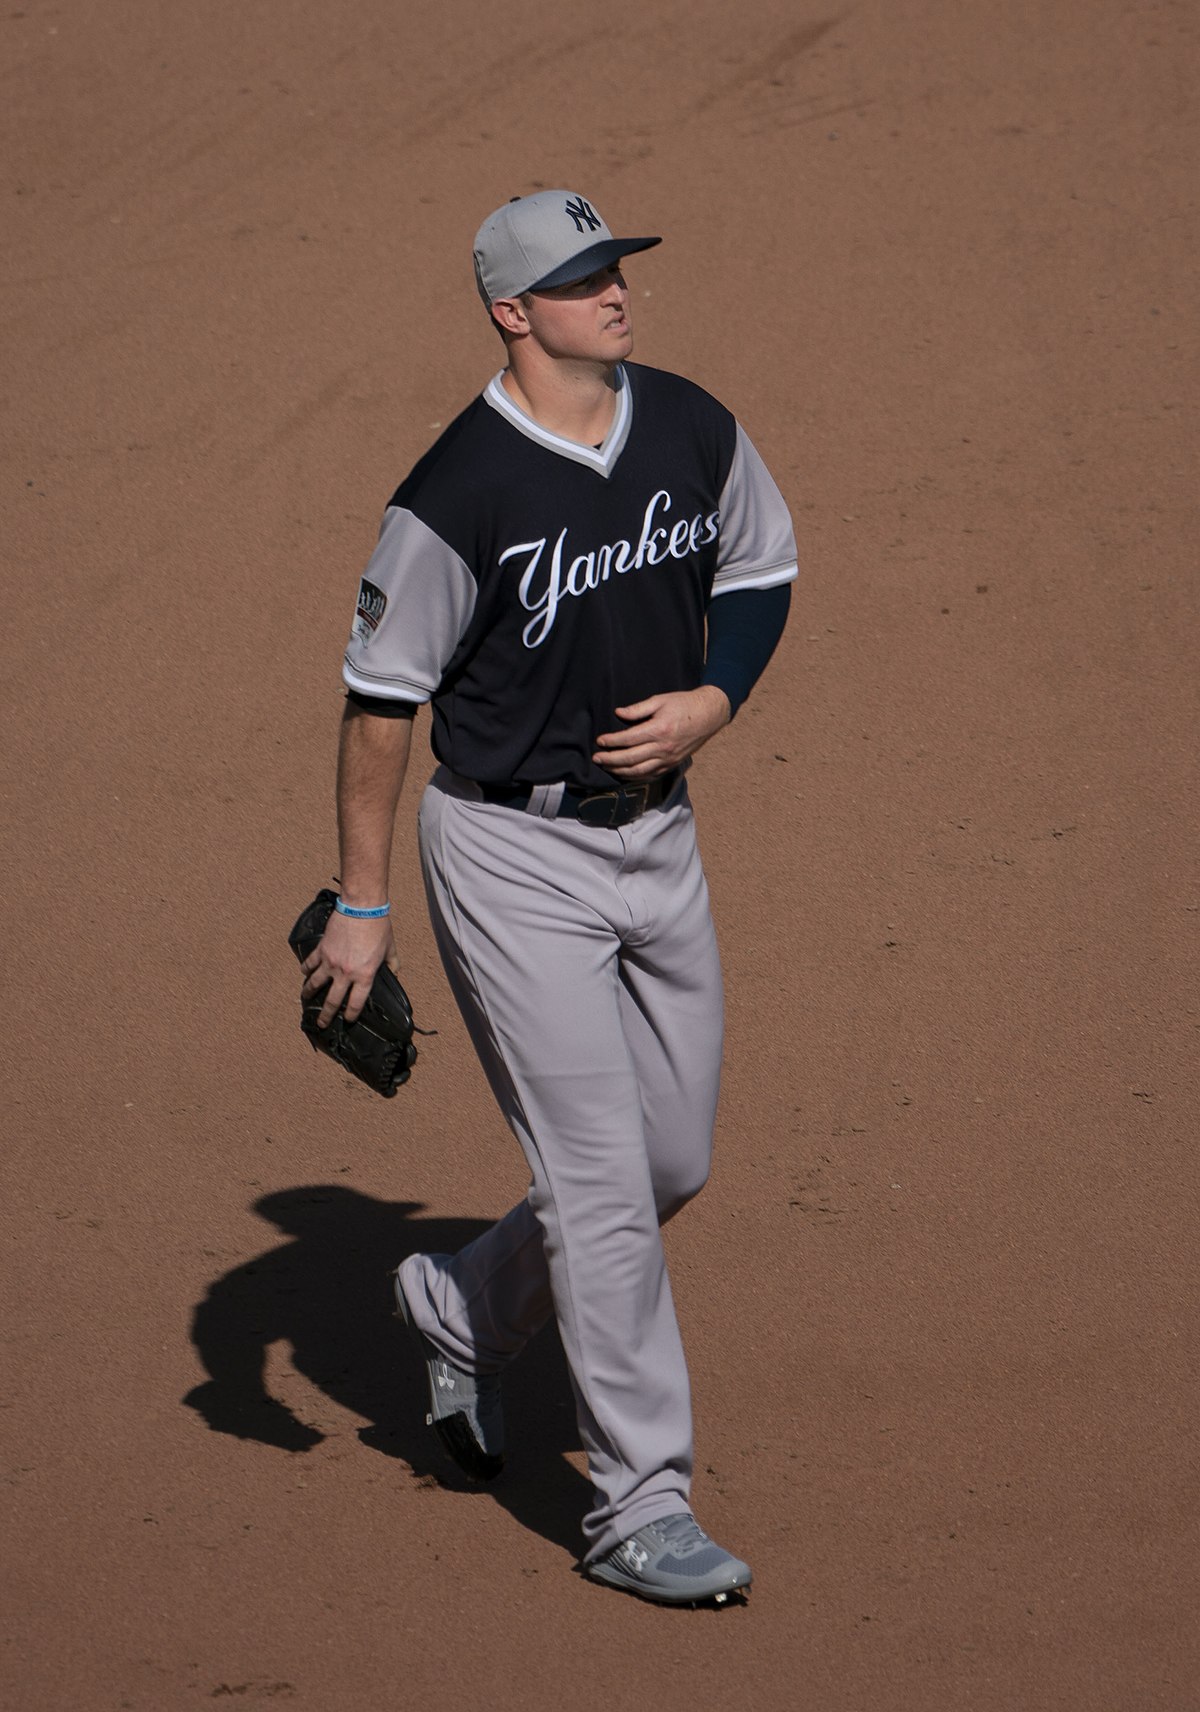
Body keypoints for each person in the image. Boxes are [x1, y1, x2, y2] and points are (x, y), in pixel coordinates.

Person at [299, 190, 797, 1606]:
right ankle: (639, 1507)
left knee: (670, 1162)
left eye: (614, 269)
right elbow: (380, 703)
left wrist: (714, 696)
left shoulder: (691, 422)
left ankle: (464, 1304)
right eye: (579, 281)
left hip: (660, 840)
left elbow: (760, 566)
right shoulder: (456, 493)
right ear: (513, 312)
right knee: (600, 1185)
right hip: (513, 861)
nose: (613, 293)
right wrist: (362, 901)